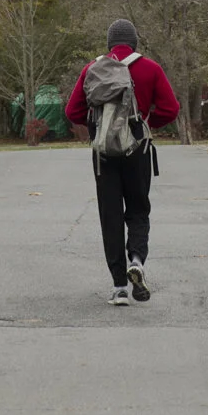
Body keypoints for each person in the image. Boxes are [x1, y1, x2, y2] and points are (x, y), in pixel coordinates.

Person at [65, 18, 179, 305]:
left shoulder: (92, 69)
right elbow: (171, 108)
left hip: (104, 155)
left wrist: (96, 127)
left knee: (110, 217)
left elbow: (72, 111)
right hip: (137, 150)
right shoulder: (150, 68)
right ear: (135, 41)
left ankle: (118, 288)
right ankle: (137, 260)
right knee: (138, 210)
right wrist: (146, 123)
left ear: (109, 42)